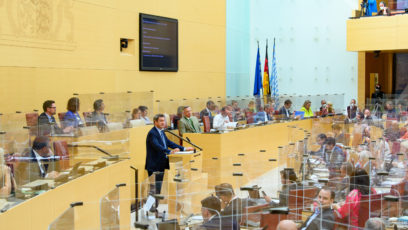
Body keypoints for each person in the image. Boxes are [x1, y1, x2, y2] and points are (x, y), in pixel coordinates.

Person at [145, 114, 194, 198]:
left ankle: (155, 206)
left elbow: (169, 143)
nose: (163, 123)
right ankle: (150, 208)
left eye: (164, 120)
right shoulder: (152, 133)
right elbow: (157, 146)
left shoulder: (161, 131)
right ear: (155, 122)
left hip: (162, 163)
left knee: (158, 188)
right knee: (154, 189)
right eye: (160, 121)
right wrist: (169, 151)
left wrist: (184, 148)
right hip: (154, 165)